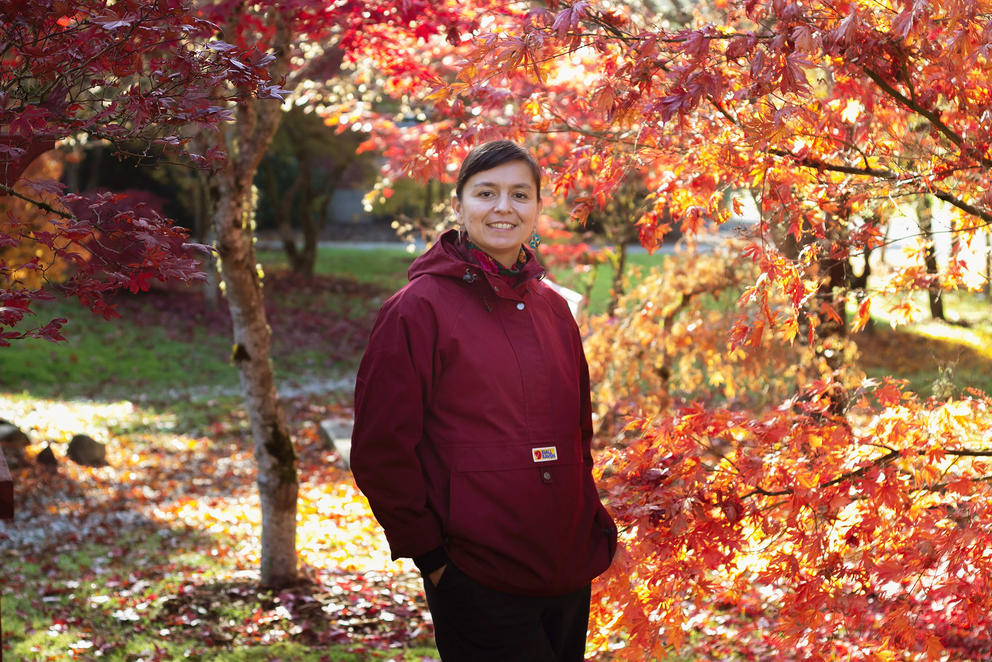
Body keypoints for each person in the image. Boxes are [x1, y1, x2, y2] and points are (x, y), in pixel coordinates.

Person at [350, 139, 617, 661]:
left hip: (565, 561)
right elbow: (381, 449)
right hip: (475, 569)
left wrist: (588, 518)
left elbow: (576, 431)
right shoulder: (417, 310)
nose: (503, 208)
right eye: (486, 192)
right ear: (459, 204)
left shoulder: (553, 308)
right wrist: (430, 555)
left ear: (539, 207)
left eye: (520, 194)